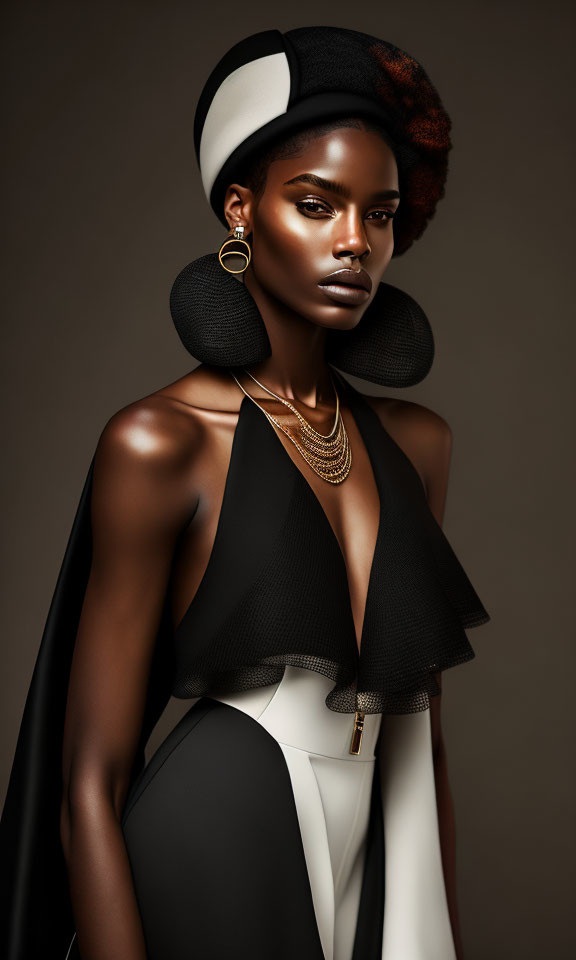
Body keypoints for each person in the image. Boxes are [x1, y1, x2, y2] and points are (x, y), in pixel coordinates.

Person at [0, 26, 490, 960]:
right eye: (317, 204)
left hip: (379, 834)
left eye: (380, 214)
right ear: (240, 209)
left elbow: (422, 733)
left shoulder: (417, 445)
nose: (355, 243)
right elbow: (88, 789)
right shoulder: (162, 443)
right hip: (217, 836)